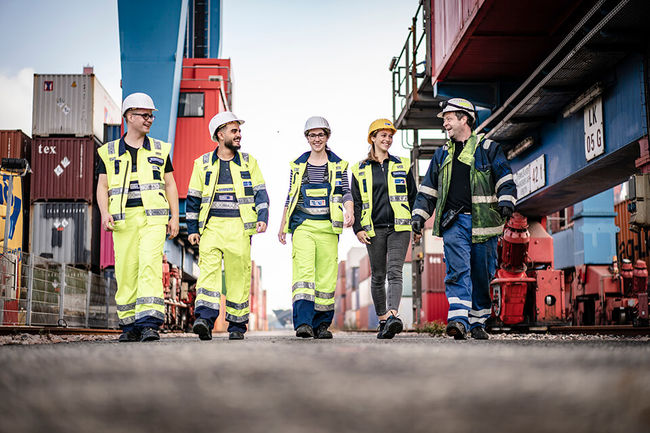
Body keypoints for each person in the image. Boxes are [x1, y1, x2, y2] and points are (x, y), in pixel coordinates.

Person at [411, 98, 516, 340]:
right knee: (458, 271)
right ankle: (458, 320)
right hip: (454, 223)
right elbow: (428, 190)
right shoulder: (442, 154)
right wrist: (419, 215)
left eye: (448, 119)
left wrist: (506, 200)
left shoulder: (488, 148)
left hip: (484, 223)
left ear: (464, 119)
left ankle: (478, 322)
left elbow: (504, 177)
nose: (445, 124)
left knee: (482, 273)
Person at [96, 92, 180, 342]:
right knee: (126, 270)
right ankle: (129, 325)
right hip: (123, 221)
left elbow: (170, 184)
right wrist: (104, 212)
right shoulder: (108, 152)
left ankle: (149, 324)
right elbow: (102, 186)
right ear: (129, 116)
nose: (149, 119)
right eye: (145, 115)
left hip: (153, 219)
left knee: (149, 266)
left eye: (151, 116)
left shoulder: (160, 149)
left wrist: (174, 217)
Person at [187, 112, 269, 341]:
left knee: (238, 276)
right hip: (211, 227)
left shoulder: (249, 162)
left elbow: (260, 192)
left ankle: (237, 325)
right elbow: (193, 198)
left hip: (239, 227)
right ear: (220, 135)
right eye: (234, 131)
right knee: (208, 274)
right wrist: (192, 229)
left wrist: (263, 216)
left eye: (239, 130)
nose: (239, 134)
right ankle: (204, 320)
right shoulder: (202, 163)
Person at [278, 116, 354, 339]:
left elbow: (345, 192)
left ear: (327, 136)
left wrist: (349, 210)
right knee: (304, 274)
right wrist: (282, 226)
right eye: (312, 135)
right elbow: (290, 196)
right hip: (303, 225)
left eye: (321, 134)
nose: (317, 139)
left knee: (326, 277)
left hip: (328, 227)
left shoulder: (338, 165)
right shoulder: (298, 165)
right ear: (307, 138)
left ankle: (322, 325)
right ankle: (303, 323)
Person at [351, 118, 417, 339]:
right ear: (373, 138)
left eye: (390, 136)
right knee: (378, 275)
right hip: (374, 228)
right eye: (383, 135)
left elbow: (413, 196)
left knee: (395, 272)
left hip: (400, 226)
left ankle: (392, 316)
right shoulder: (359, 169)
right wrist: (358, 229)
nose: (387, 139)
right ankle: (383, 321)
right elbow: (356, 202)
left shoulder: (402, 165)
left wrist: (417, 224)